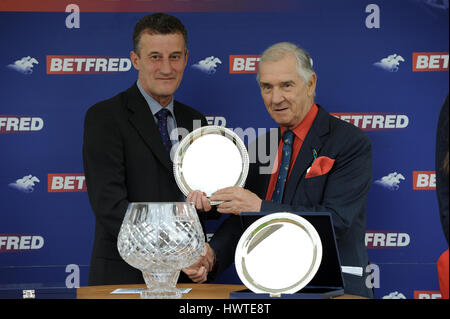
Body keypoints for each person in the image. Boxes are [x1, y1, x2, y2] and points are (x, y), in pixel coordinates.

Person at [186, 42, 374, 298]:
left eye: (287, 85)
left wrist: (260, 208)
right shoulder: (261, 145)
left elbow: (336, 221)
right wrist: (212, 255)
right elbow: (241, 217)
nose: (276, 98)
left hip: (332, 287)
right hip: (268, 286)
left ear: (311, 84)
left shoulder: (349, 142)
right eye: (267, 87)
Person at [83, 13, 209, 285]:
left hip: (187, 282)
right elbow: (111, 207)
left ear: (186, 59)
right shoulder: (104, 117)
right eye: (155, 57)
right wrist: (176, 256)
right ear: (135, 59)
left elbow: (201, 204)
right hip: (123, 277)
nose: (166, 68)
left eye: (174, 57)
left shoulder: (197, 121)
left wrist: (202, 254)